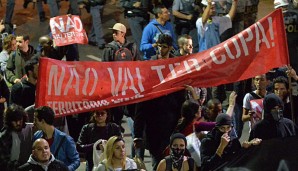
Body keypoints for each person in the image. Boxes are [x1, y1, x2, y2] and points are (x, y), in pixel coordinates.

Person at [33, 106, 80, 171]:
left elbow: (76, 160)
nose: (33, 123)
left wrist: (65, 169)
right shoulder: (36, 136)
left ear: (43, 121)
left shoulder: (65, 139)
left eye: (35, 120)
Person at [0, 104, 33, 171]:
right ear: (9, 121)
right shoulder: (5, 136)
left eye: (20, 120)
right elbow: (3, 162)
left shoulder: (23, 130)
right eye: (14, 121)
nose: (18, 123)